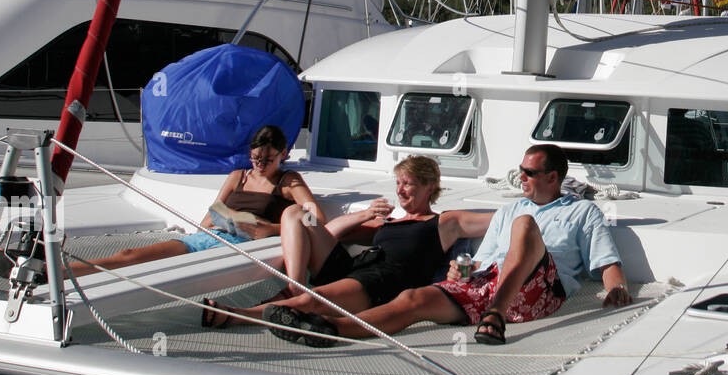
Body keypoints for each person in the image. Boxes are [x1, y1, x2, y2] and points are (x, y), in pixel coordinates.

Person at [265, 144, 631, 348]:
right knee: (414, 299)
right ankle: (328, 329)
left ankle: (495, 317)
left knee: (525, 225)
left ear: (553, 178)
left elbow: (606, 262)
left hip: (536, 291)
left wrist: (617, 288)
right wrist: (462, 270)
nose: (520, 177)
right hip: (487, 282)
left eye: (528, 173)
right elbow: (484, 257)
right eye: (520, 169)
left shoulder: (583, 212)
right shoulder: (509, 208)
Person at [201, 154, 492, 329]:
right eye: (399, 183)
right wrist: (365, 213)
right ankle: (294, 284)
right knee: (295, 213)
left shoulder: (443, 223)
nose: (401, 191)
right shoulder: (388, 223)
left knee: (313, 302)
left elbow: (499, 218)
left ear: (429, 187)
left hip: (385, 281)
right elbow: (331, 232)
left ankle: (238, 316)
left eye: (409, 184)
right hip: (355, 268)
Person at [71, 125, 319, 277]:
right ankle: (56, 273)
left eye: (268, 160)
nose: (260, 165)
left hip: (242, 245)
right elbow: (214, 211)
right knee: (129, 254)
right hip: (213, 235)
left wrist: (272, 230)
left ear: (283, 154)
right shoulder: (238, 177)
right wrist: (202, 229)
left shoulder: (288, 182)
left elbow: (314, 218)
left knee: (169, 269)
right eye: (255, 158)